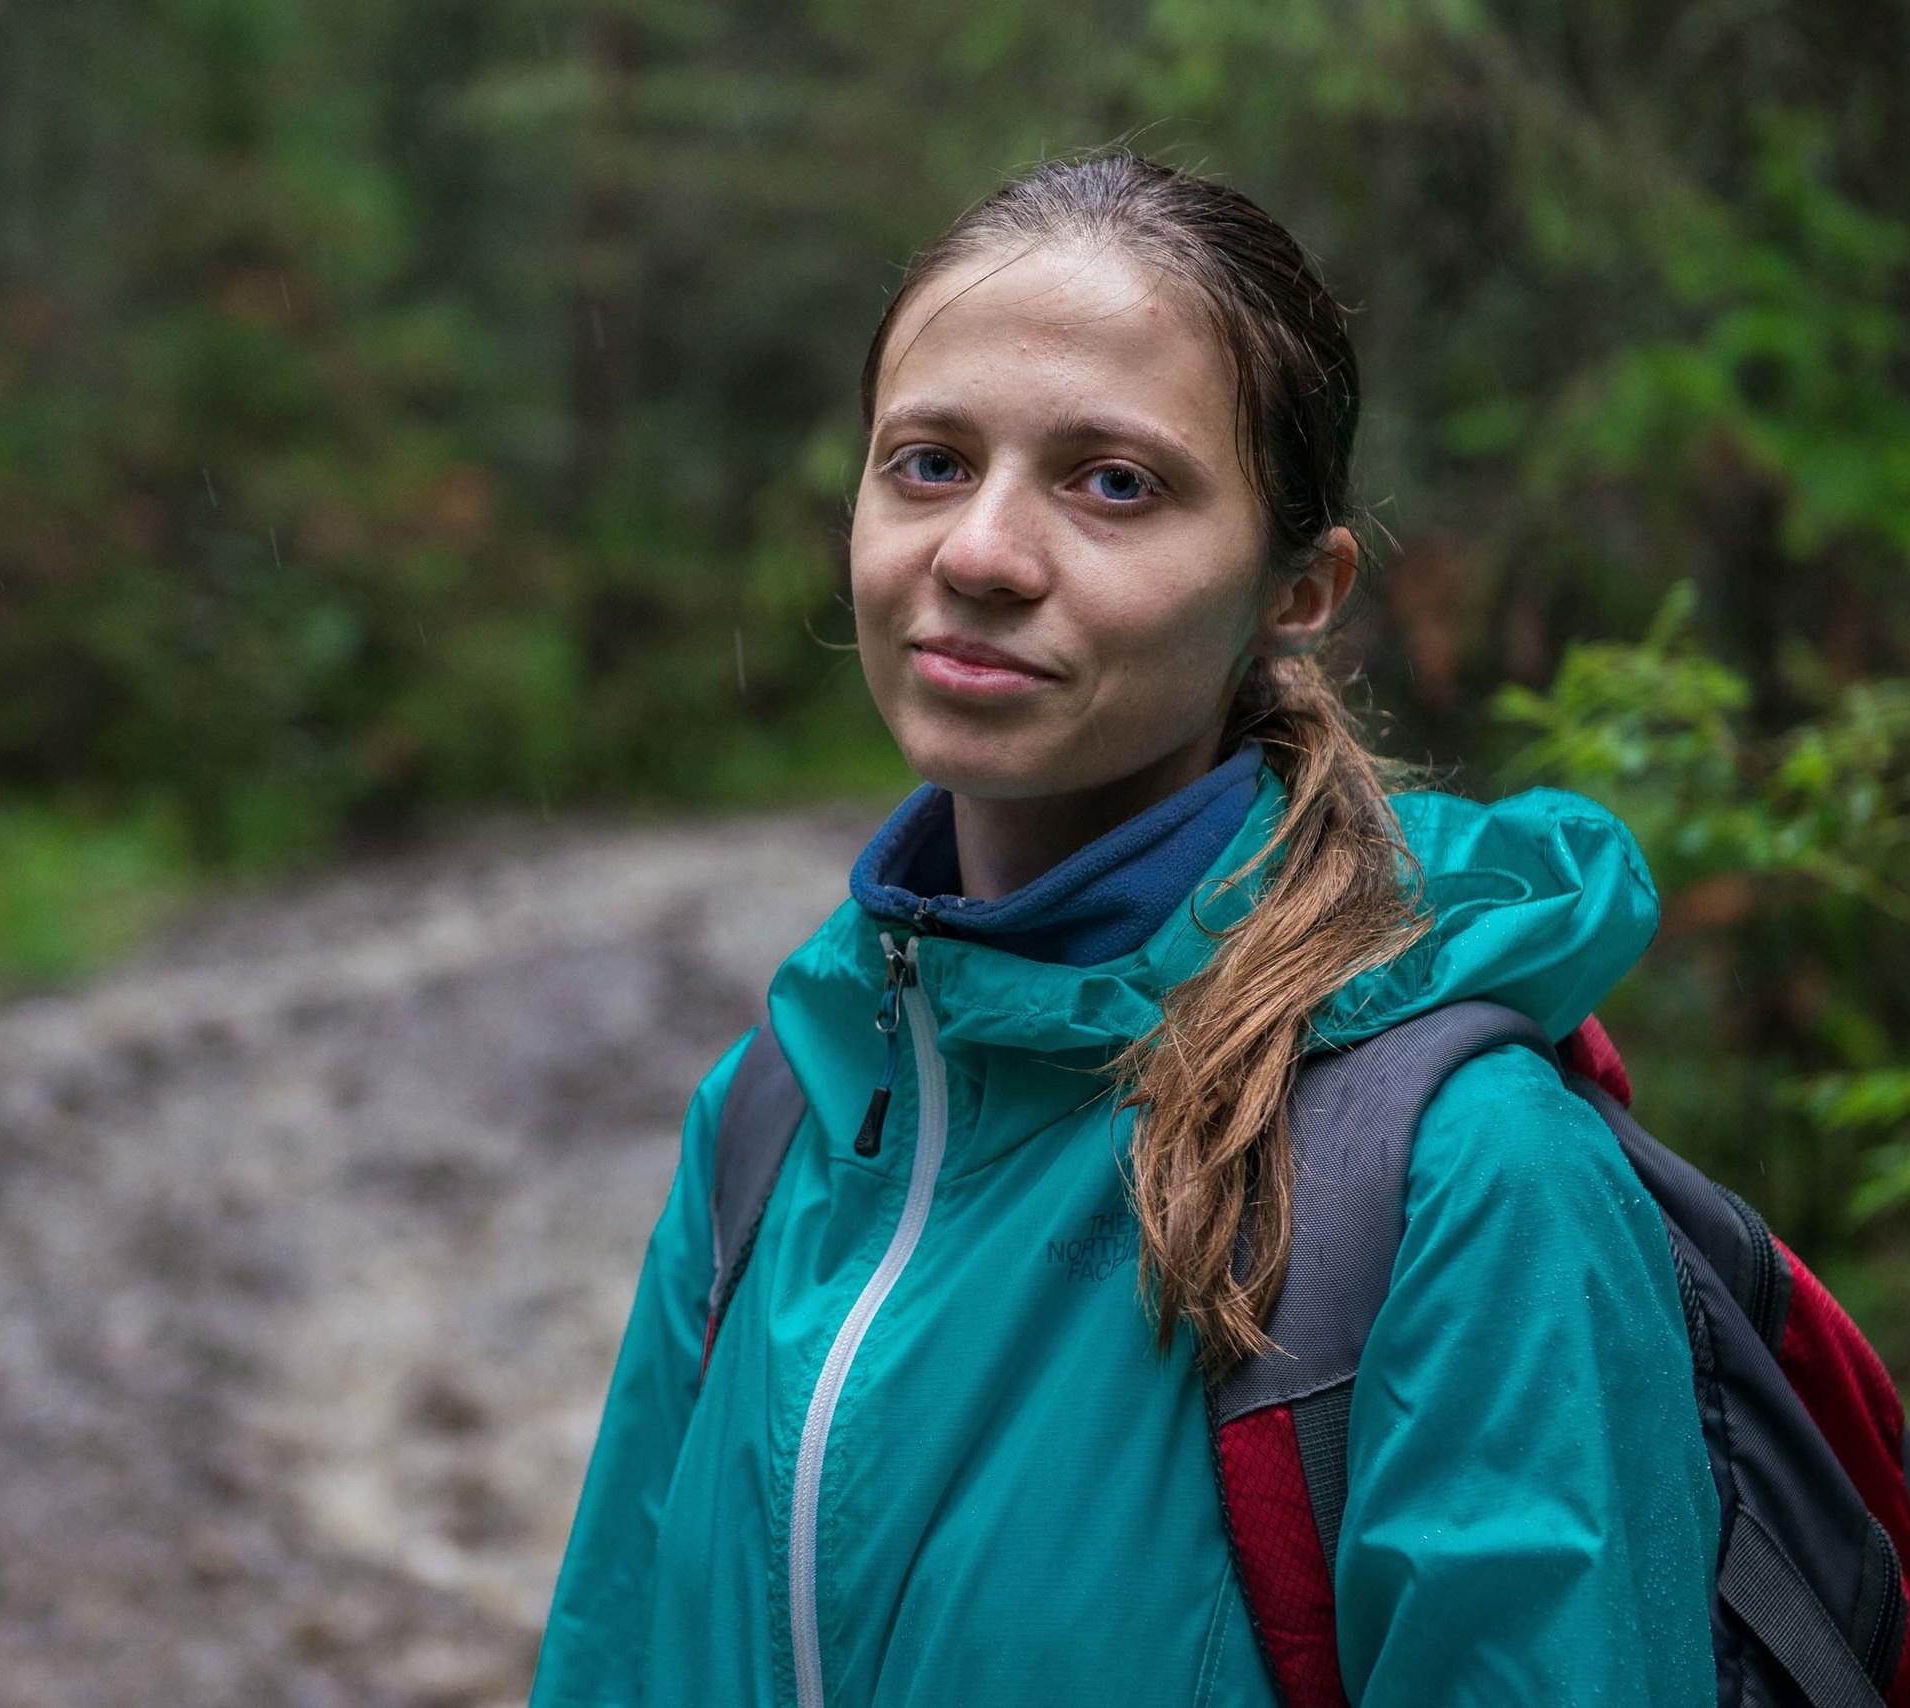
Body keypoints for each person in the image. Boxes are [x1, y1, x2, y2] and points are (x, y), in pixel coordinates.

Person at [529, 153, 1718, 1707]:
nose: (980, 556)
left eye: (1114, 483)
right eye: (930, 463)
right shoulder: (783, 1111)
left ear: (1301, 589)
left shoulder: (1460, 1183)